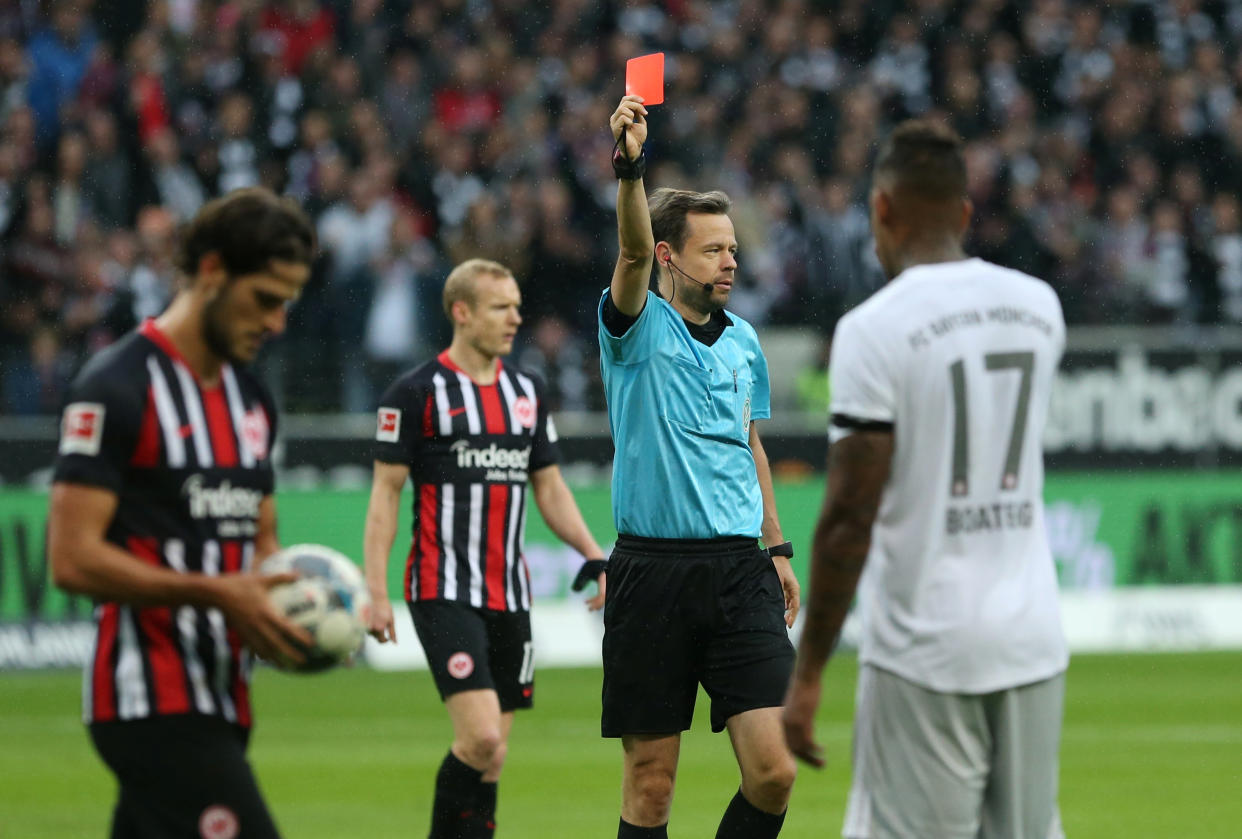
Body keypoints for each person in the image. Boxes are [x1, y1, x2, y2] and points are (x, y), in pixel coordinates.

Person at [782, 121, 1068, 839]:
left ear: (881, 209)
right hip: (1033, 638)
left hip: (925, 646)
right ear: (965, 214)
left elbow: (850, 513)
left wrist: (810, 666)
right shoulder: (1039, 307)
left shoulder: (874, 328)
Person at [48, 187, 317, 838]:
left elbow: (262, 541)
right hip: (148, 700)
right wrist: (219, 593)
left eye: (288, 303)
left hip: (225, 697)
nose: (277, 323)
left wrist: (291, 607)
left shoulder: (253, 402)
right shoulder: (116, 386)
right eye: (266, 299)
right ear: (212, 270)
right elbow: (72, 556)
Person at [598, 95, 800, 839]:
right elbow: (627, 253)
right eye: (714, 249)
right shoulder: (635, 326)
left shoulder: (745, 340)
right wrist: (631, 171)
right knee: (651, 787)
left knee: (775, 770)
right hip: (653, 572)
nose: (730, 260)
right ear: (669, 256)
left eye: (734, 248)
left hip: (739, 572)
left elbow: (750, 444)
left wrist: (775, 545)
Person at [363, 257, 607, 839]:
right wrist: (375, 591)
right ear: (462, 312)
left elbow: (548, 487)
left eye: (518, 306)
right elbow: (384, 497)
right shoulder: (415, 393)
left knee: (492, 759)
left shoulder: (527, 391)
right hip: (442, 588)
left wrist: (593, 554)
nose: (515, 319)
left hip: (510, 593)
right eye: (501, 307)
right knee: (481, 738)